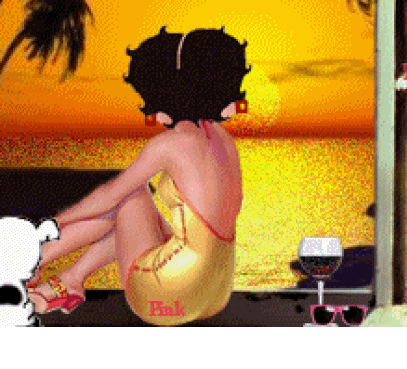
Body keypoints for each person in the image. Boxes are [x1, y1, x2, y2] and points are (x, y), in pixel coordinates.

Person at [28, 27, 251, 326]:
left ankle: (30, 258)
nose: (153, 115)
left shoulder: (171, 144)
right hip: (215, 293)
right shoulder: (223, 139)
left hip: (167, 296)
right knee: (137, 211)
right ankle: (68, 277)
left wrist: (53, 224)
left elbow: (108, 197)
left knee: (129, 197)